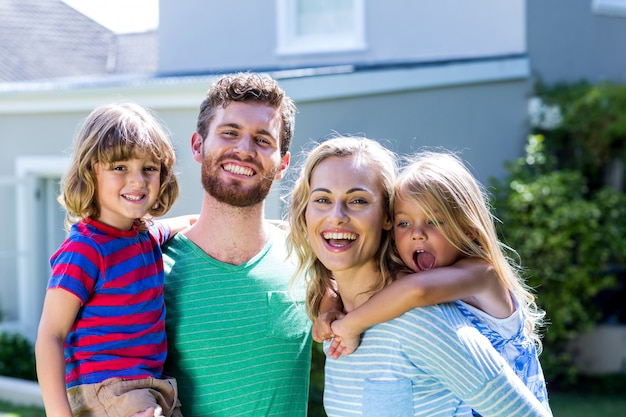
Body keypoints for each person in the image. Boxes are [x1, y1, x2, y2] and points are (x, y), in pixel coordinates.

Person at [287, 136, 553, 416]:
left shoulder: (441, 302)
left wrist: (349, 325)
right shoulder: (350, 311)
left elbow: (417, 291)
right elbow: (329, 282)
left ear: (383, 216)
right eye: (322, 199)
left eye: (357, 200)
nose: (417, 234)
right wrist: (329, 310)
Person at [161, 72, 314, 417]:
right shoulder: (150, 266)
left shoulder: (307, 258)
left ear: (282, 165)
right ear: (198, 146)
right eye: (229, 133)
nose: (244, 150)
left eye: (263, 140)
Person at [35, 103, 190, 417]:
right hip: (106, 389)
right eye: (120, 167)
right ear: (92, 172)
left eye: (149, 168)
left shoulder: (145, 236)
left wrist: (268, 228)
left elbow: (189, 223)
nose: (137, 180)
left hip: (148, 387)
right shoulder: (86, 249)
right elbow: (50, 335)